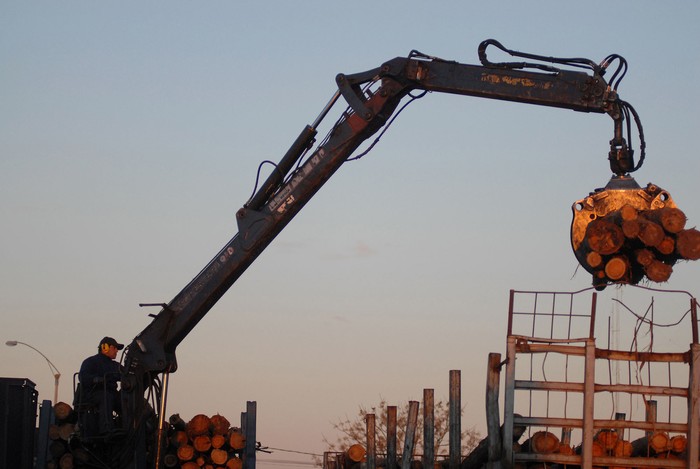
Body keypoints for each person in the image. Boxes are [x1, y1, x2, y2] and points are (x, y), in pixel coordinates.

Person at [77, 336, 124, 434]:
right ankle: (106, 429)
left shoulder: (115, 365)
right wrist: (96, 379)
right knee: (105, 396)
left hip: (111, 394)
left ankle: (128, 427)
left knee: (126, 399)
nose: (116, 351)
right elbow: (83, 377)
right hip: (92, 394)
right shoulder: (90, 362)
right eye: (114, 348)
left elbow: (126, 374)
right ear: (105, 347)